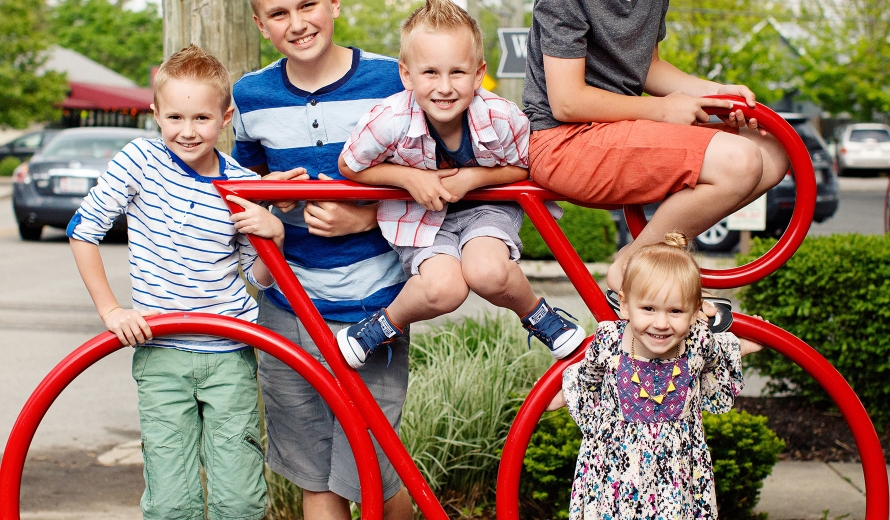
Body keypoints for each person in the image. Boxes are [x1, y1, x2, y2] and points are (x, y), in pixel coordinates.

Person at [67, 45, 282, 520]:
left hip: (228, 352)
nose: (188, 130)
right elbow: (83, 231)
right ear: (156, 115)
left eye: (202, 117)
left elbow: (258, 277)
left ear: (225, 118)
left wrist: (274, 236)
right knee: (171, 503)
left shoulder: (240, 183)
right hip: (162, 350)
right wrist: (111, 311)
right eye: (175, 117)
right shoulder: (141, 160)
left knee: (240, 500)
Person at [232, 0, 413, 517]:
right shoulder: (250, 95)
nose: (297, 23)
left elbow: (431, 180)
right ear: (260, 25)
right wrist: (268, 191)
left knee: (374, 474)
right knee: (315, 478)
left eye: (308, 4)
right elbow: (243, 185)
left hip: (375, 306)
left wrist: (367, 218)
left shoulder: (393, 80)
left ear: (334, 3)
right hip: (289, 304)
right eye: (278, 13)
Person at [335, 0, 585, 368]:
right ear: (407, 75)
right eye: (430, 72)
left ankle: (539, 315)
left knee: (487, 271)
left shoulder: (502, 117)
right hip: (420, 215)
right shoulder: (389, 119)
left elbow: (525, 167)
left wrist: (475, 178)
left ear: (478, 73)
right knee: (444, 288)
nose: (445, 87)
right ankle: (381, 326)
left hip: (487, 209)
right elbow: (349, 164)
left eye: (457, 72)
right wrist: (408, 177)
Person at [522, 0, 791, 293]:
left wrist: (716, 93)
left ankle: (645, 260)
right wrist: (662, 110)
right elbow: (567, 102)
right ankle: (633, 269)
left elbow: (648, 67)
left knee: (772, 152)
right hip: (565, 141)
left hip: (624, 128)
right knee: (740, 161)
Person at [554, 232, 764, 519]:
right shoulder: (609, 341)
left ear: (695, 311)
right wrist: (566, 394)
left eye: (676, 310)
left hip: (676, 478)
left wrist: (745, 346)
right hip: (616, 475)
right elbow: (589, 378)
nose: (661, 323)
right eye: (648, 309)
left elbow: (718, 357)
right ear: (625, 304)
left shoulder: (698, 341)